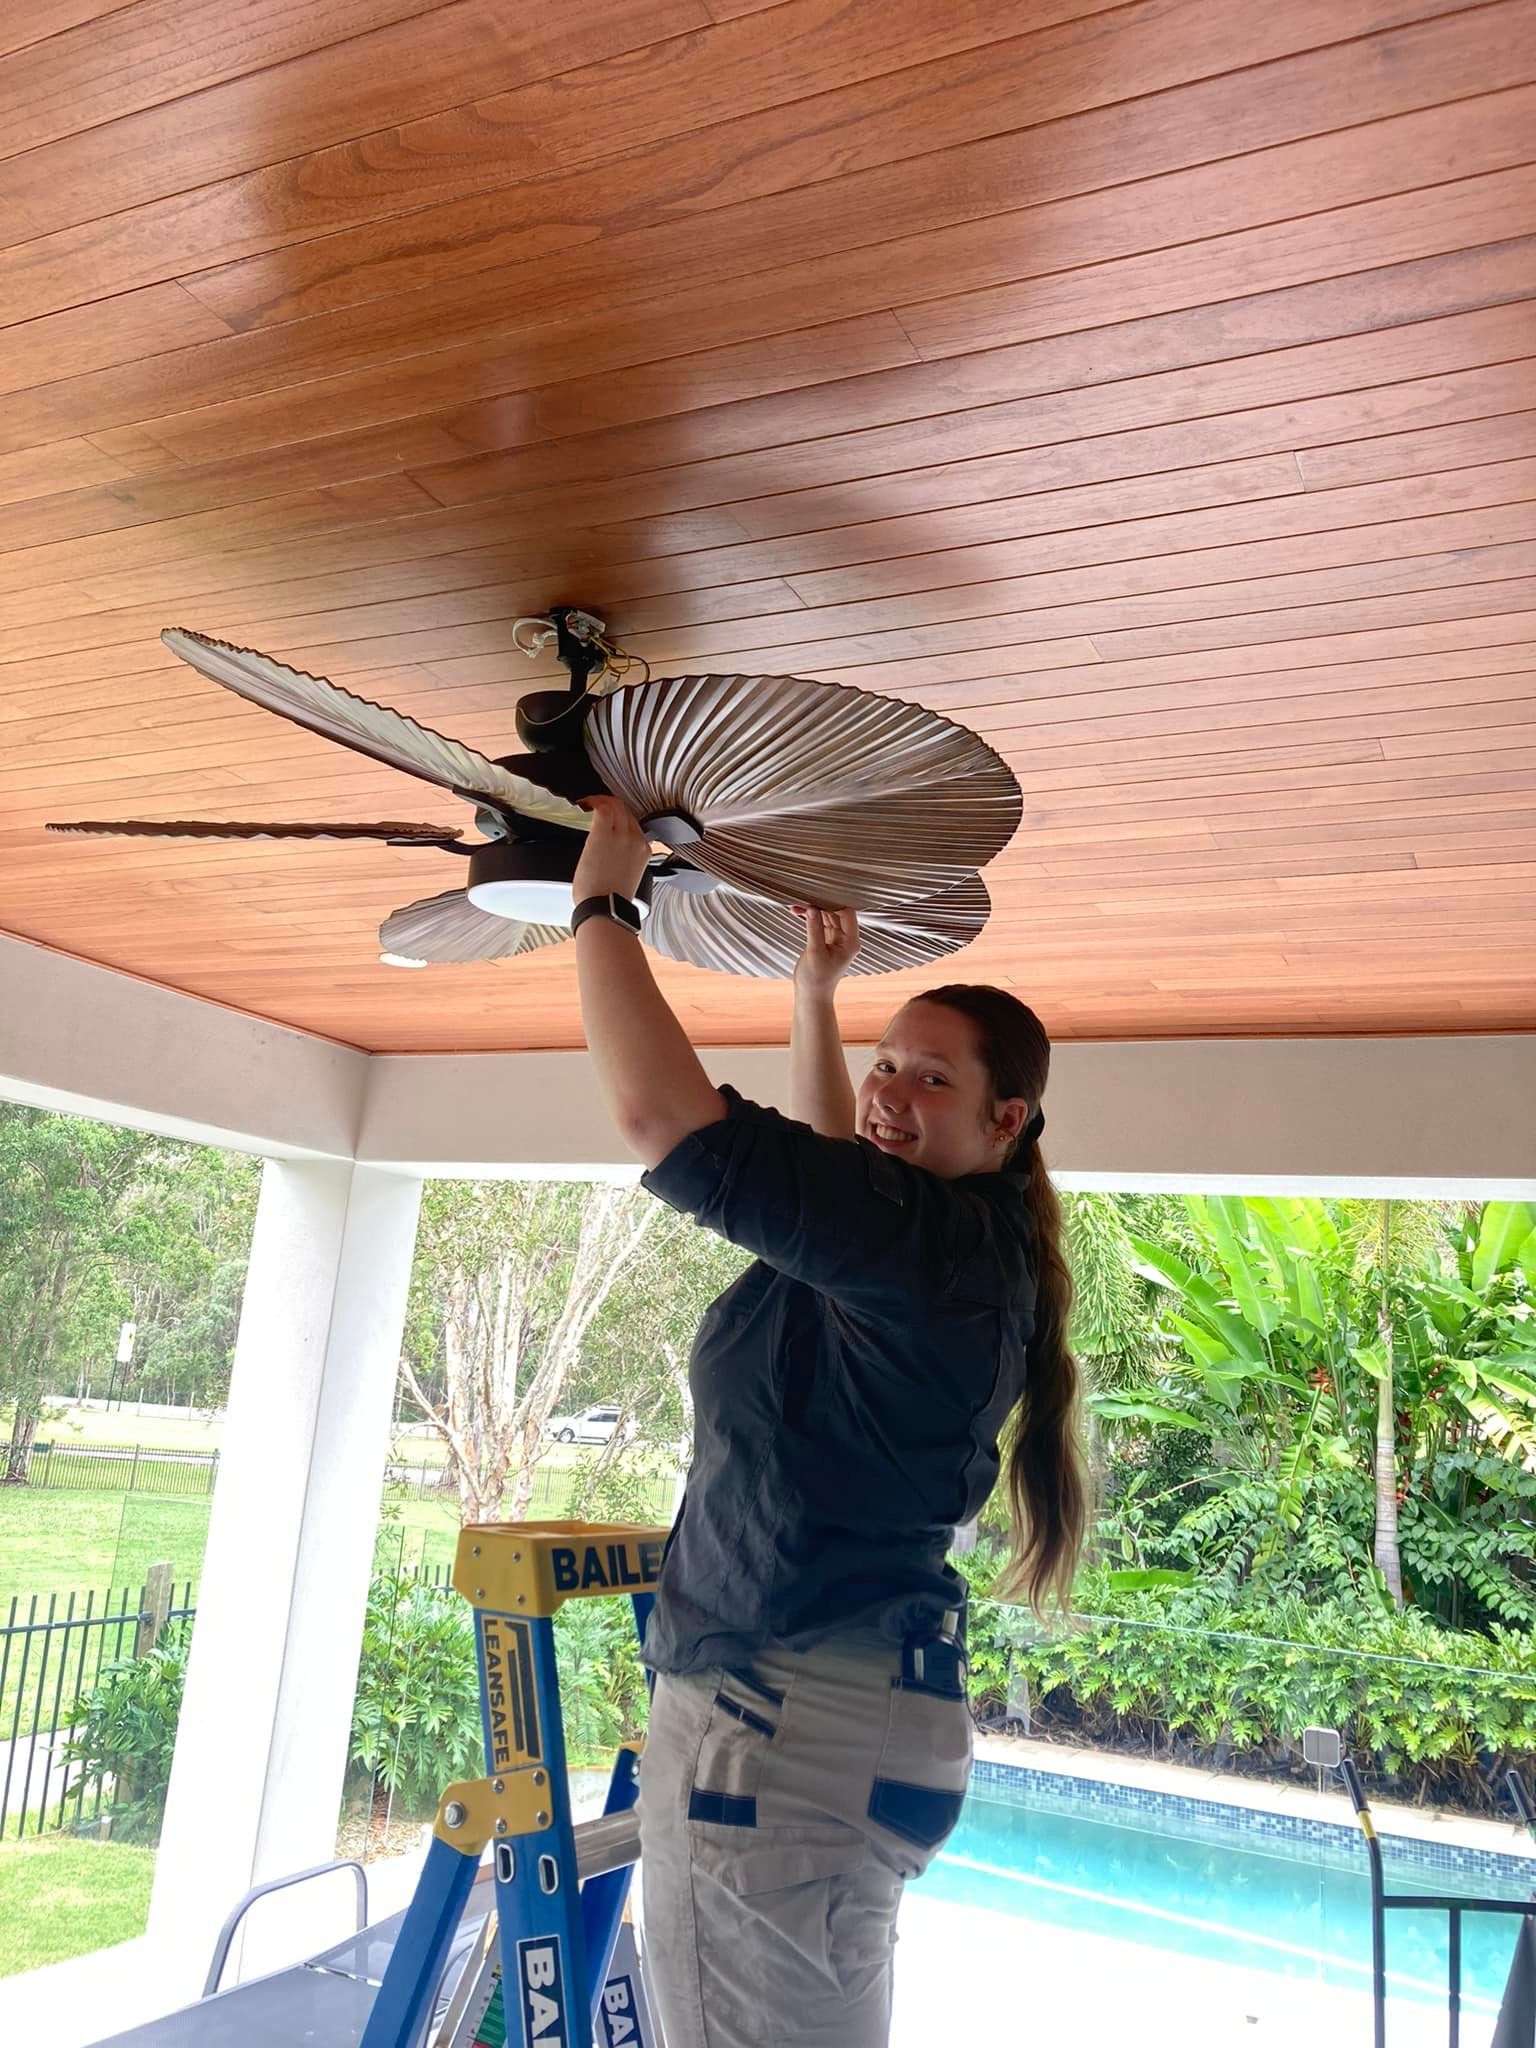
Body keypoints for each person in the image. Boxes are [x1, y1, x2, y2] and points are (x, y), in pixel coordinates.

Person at [571, 797, 1087, 2048]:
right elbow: (828, 1172)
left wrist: (601, 902)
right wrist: (815, 993)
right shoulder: (954, 1242)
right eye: (887, 1061)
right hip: (844, 1719)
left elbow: (662, 1121)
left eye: (933, 1075)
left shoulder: (927, 1246)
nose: (894, 1088)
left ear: (1005, 1117)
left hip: (779, 1726)